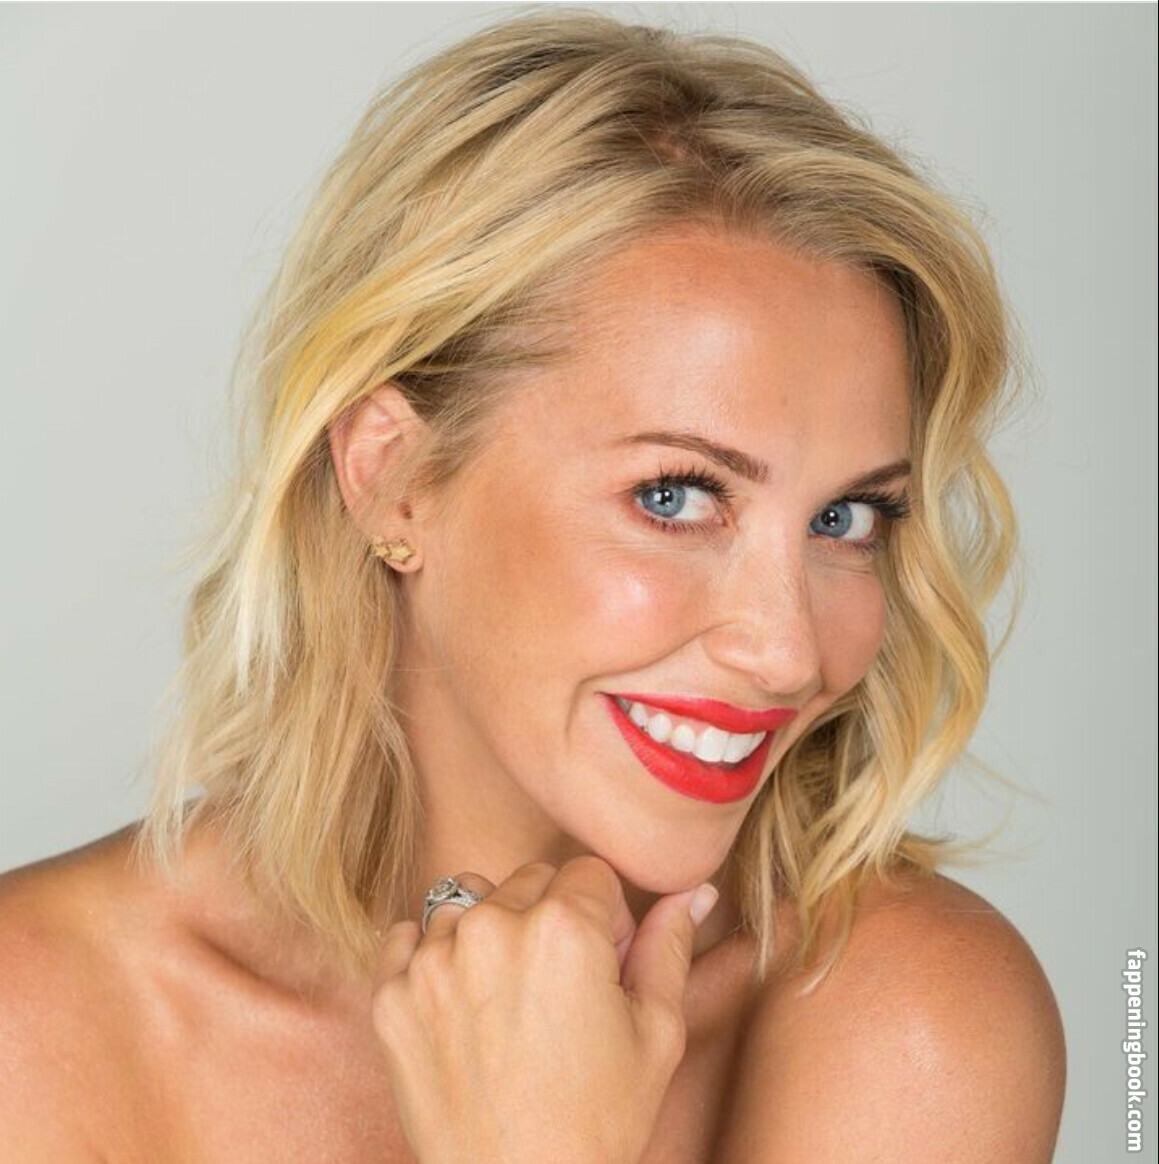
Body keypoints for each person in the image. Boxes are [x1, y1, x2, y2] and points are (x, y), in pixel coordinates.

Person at [0, 12, 1066, 1161]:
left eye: (845, 519)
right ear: (395, 478)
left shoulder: (908, 1021)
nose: (787, 650)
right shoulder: (40, 1025)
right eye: (676, 496)